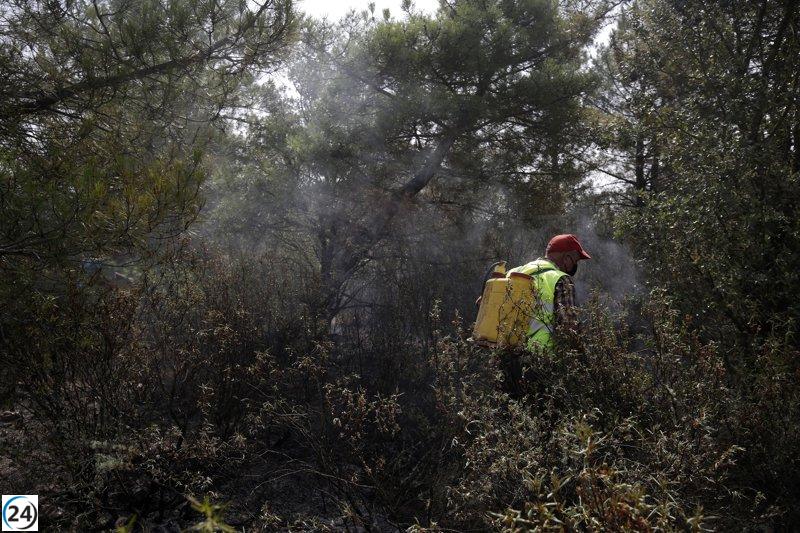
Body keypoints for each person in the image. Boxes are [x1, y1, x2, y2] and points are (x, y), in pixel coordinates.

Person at [506, 233, 592, 351]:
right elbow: (569, 328)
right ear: (566, 258)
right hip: (539, 358)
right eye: (575, 261)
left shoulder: (513, 272)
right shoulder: (561, 279)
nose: (574, 266)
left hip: (505, 355)